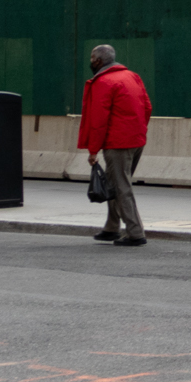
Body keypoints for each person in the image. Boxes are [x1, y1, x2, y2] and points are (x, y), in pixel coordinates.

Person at [79, 44, 152, 245]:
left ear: (98, 61)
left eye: (92, 58)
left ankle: (135, 233)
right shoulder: (132, 76)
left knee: (121, 187)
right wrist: (138, 130)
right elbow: (147, 106)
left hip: (117, 143)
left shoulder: (103, 82)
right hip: (136, 140)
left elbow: (98, 120)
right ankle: (111, 227)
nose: (91, 61)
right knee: (114, 183)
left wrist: (93, 150)